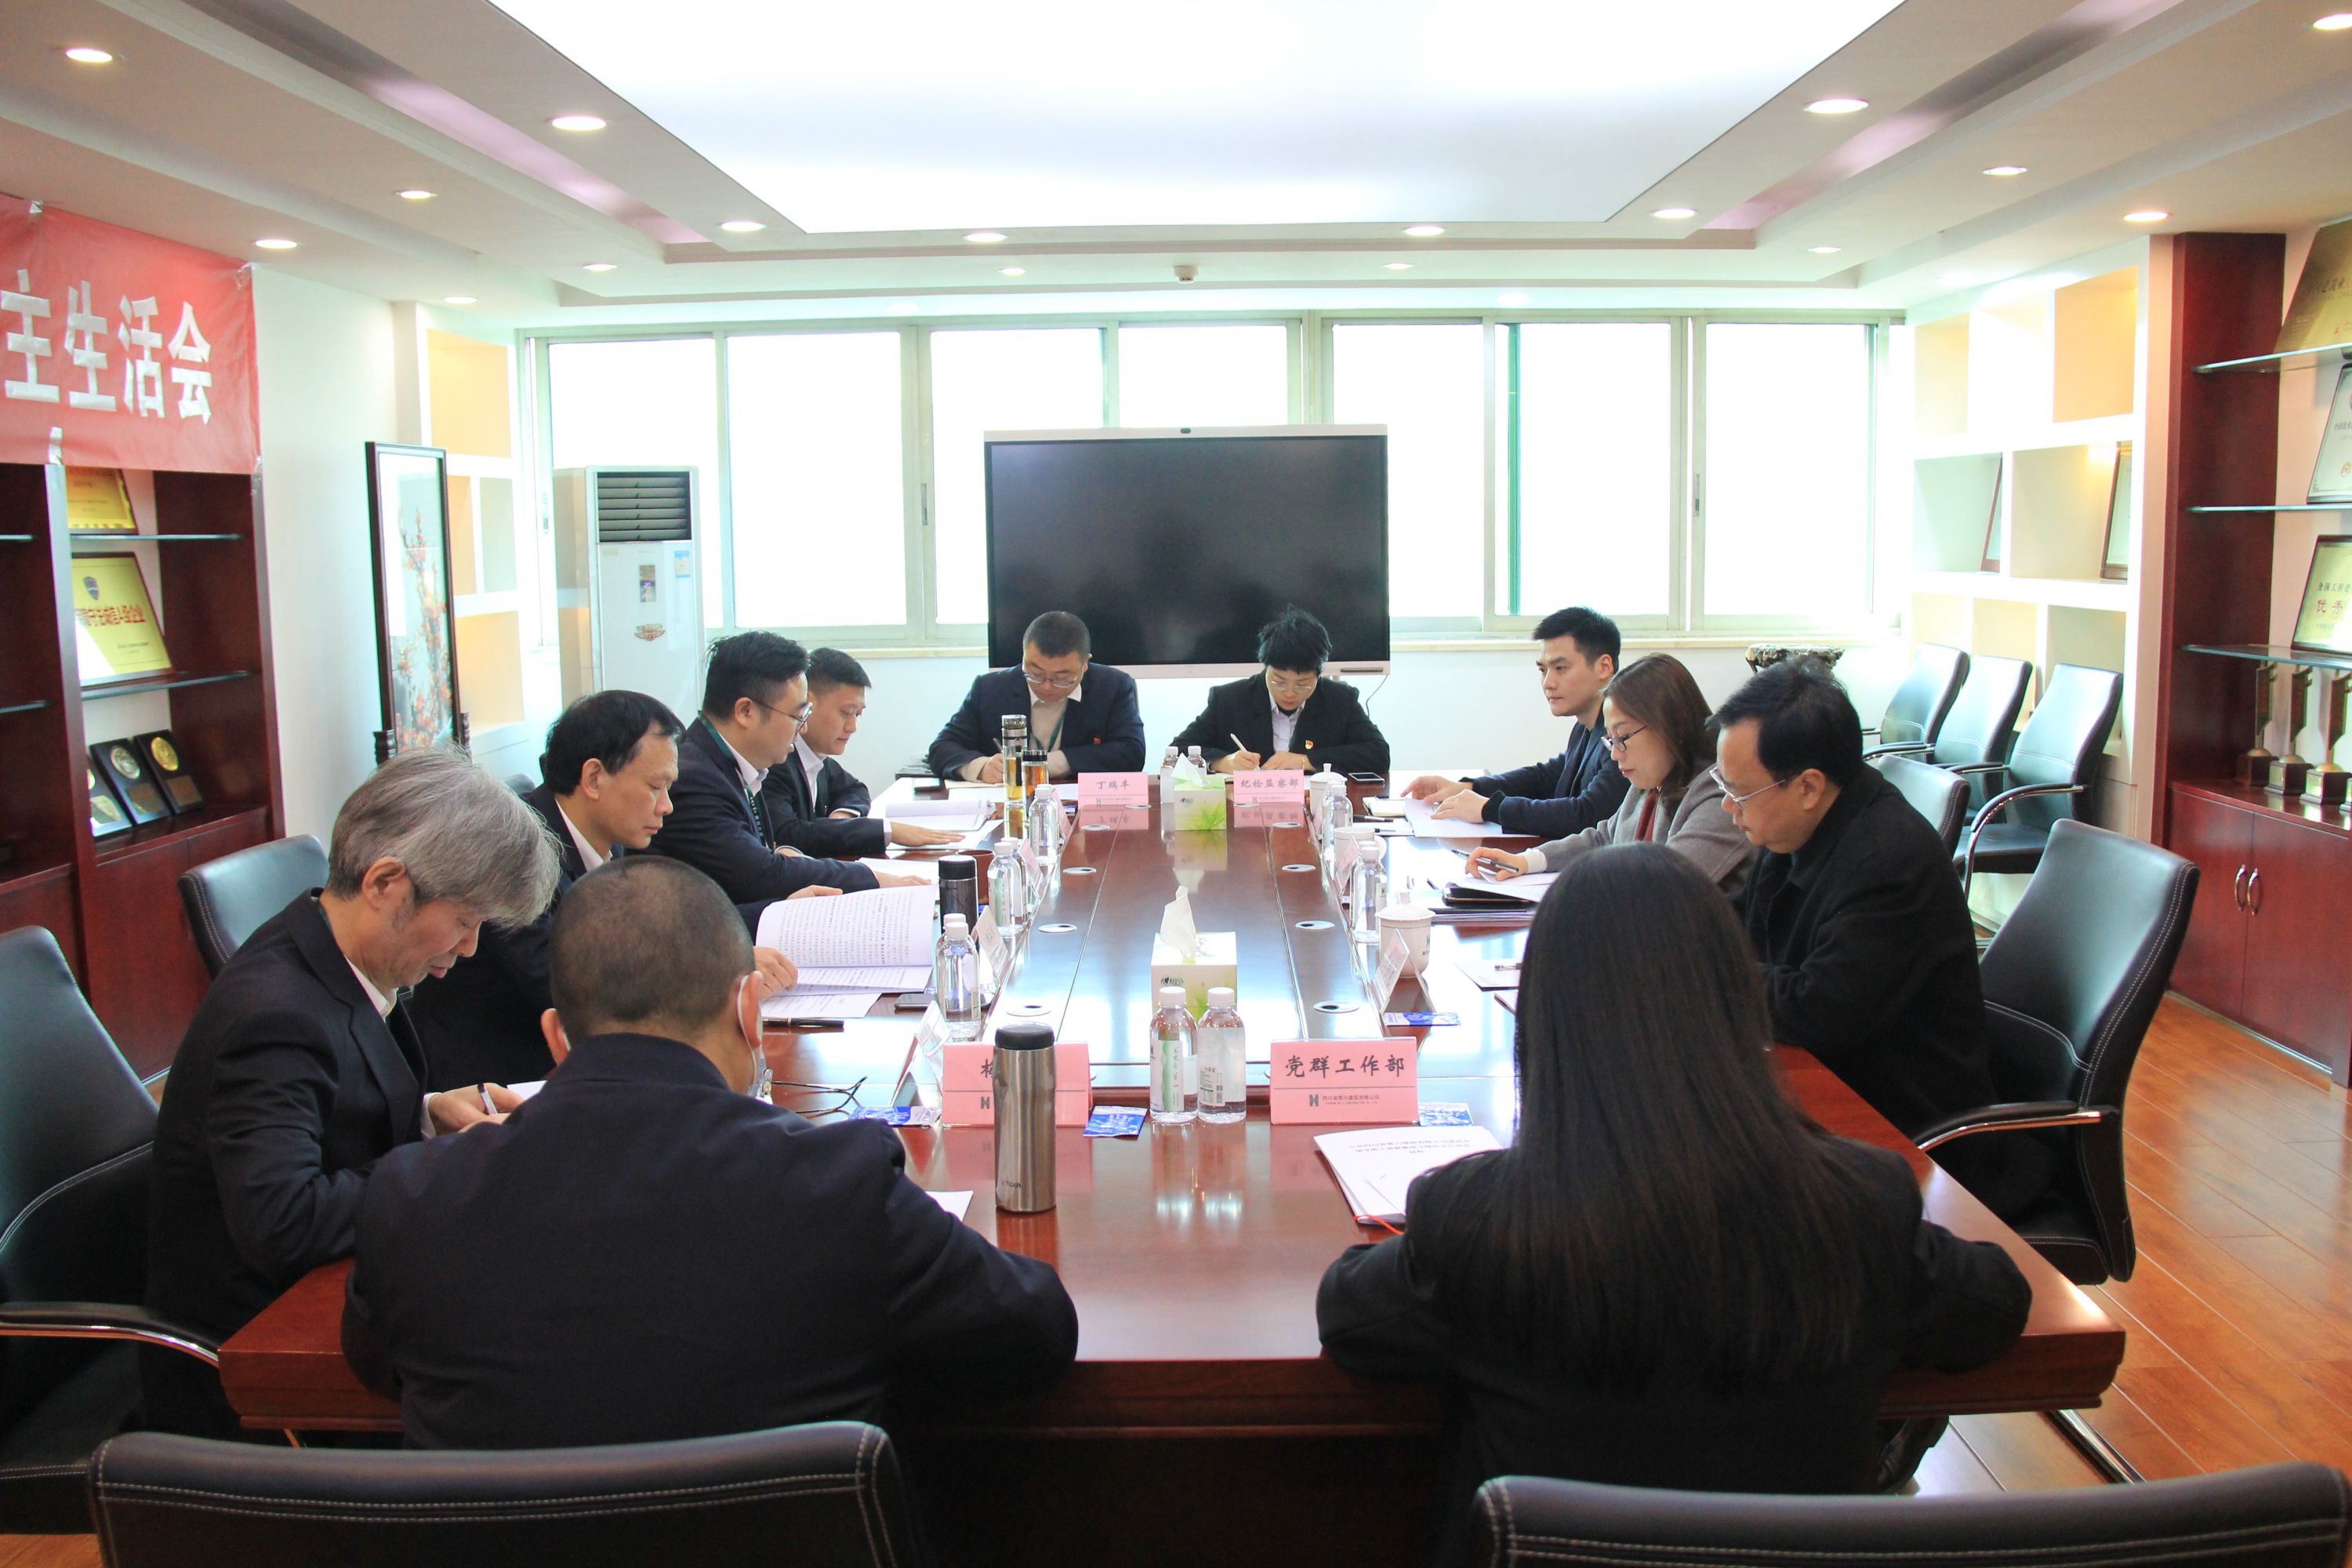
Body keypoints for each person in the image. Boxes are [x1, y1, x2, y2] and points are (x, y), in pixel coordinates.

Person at [1316, 844, 2031, 1566]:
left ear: (1546, 1016)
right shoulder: (1860, 1202)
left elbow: (1350, 1318)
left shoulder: (1480, 1218)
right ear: (1735, 1000)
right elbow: (1994, 1303)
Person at [342, 855, 1080, 1449]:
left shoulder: (411, 1196)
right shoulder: (837, 1183)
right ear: (749, 1011)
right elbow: (1036, 1333)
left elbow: (379, 1368)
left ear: (557, 1037)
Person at [143, 749, 560, 1438]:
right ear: (386, 883)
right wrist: (451, 1165)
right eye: (465, 921)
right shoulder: (274, 1017)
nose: (470, 948)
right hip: (252, 1367)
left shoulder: (336, 951)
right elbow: (283, 1223)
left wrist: (427, 1116)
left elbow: (332, 1106)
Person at [1712, 659, 2037, 1216]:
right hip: (1838, 1086)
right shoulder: (1799, 827)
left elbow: (1817, 1009)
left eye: (1739, 792)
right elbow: (1740, 924)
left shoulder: (1886, 862)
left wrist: (1703, 971)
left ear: (1808, 787)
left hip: (1905, 1135)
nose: (1727, 806)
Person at [408, 690, 796, 1092]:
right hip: (499, 1089)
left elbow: (658, 923)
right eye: (655, 787)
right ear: (594, 778)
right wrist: (719, 965)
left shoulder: (610, 837)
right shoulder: (515, 850)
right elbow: (575, 984)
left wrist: (776, 914)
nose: (667, 806)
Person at [650, 631, 926, 901]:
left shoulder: (731, 763)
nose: (802, 728)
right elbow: (761, 874)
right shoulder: (695, 779)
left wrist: (779, 851)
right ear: (746, 711)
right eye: (797, 715)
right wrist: (869, 877)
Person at [1467, 654, 1751, 893]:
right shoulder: (1651, 780)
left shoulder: (1719, 795)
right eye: (1610, 740)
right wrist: (1527, 861)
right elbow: (1604, 838)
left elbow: (1663, 884)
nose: (1615, 754)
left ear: (1670, 726)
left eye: (1623, 737)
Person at [1401, 606, 1629, 834]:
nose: (1548, 683)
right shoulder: (1586, 726)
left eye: (1561, 668)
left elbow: (1587, 814)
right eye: (1543, 670)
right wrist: (1470, 787)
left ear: (1604, 667)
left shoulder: (1623, 736)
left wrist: (1490, 808)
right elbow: (1546, 778)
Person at [765, 646, 961, 858]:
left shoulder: (817, 758)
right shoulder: (776, 761)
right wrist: (887, 830)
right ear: (807, 704)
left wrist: (842, 818)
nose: (852, 727)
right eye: (846, 713)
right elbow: (789, 835)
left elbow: (854, 789)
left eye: (857, 715)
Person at [928, 611, 1146, 781]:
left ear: (1085, 664)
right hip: (1006, 804)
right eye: (1035, 673)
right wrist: (980, 767)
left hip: (1080, 807)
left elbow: (1131, 752)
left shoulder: (1112, 687)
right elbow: (943, 747)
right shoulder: (990, 689)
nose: (1047, 686)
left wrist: (1047, 764)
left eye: (1062, 677)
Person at [1170, 607, 1390, 775]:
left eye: (1303, 684)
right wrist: (1222, 762)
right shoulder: (1230, 699)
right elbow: (1178, 750)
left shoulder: (1340, 700)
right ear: (1266, 669)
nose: (1290, 693)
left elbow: (1378, 753)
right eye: (1279, 681)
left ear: (1319, 674)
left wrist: (1306, 761)